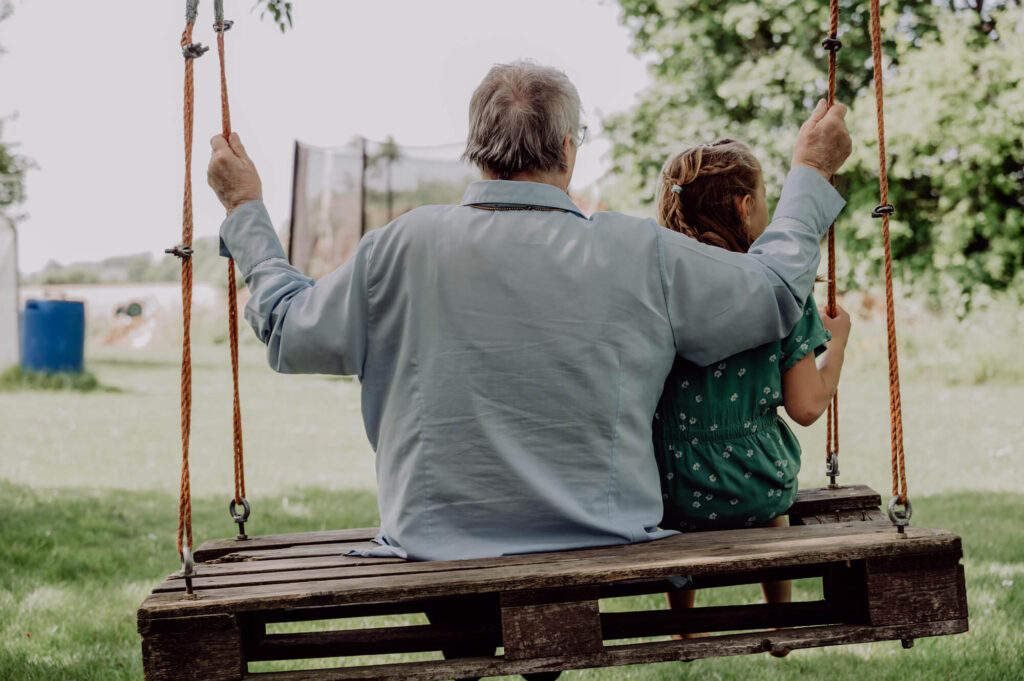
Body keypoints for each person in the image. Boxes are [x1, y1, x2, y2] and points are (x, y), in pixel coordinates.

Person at [206, 61, 851, 562]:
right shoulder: (637, 251)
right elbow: (772, 292)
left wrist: (245, 210)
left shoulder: (404, 246)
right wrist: (810, 171)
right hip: (605, 541)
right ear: (568, 150)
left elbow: (289, 329)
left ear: (475, 150)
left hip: (436, 547)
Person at [650, 139, 851, 640]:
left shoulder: (655, 291)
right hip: (758, 484)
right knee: (773, 517)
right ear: (745, 206)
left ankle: (683, 623)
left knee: (679, 522)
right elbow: (806, 407)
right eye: (764, 197)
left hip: (669, 487)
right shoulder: (781, 295)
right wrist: (839, 345)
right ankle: (779, 619)